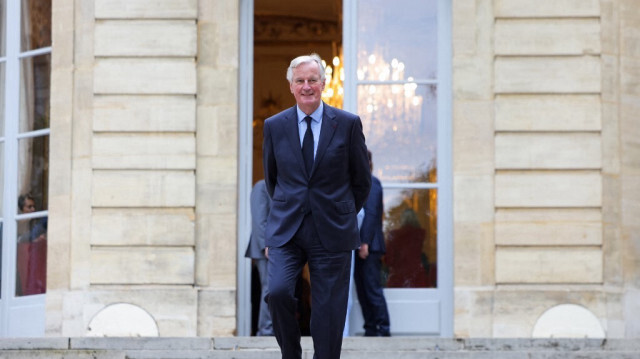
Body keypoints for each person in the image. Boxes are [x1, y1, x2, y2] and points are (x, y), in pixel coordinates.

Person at [263, 53, 371, 359]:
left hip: (333, 230)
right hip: (288, 228)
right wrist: (291, 206)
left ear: (324, 83)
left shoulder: (348, 124)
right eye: (300, 81)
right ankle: (291, 354)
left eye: (313, 80)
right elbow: (273, 179)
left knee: (329, 309)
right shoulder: (274, 126)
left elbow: (361, 181)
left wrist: (342, 211)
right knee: (279, 292)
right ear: (291, 86)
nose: (307, 86)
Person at [353, 151, 391, 336]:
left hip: (369, 246)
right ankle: (370, 328)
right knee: (361, 289)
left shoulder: (372, 183)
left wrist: (365, 243)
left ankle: (383, 329)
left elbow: (372, 214)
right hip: (360, 245)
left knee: (372, 288)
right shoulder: (360, 182)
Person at [244, 179, 274, 336]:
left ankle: (271, 328)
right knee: (269, 288)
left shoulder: (280, 185)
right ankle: (266, 331)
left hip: (276, 248)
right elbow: (259, 220)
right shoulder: (261, 187)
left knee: (274, 289)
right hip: (266, 250)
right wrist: (265, 245)